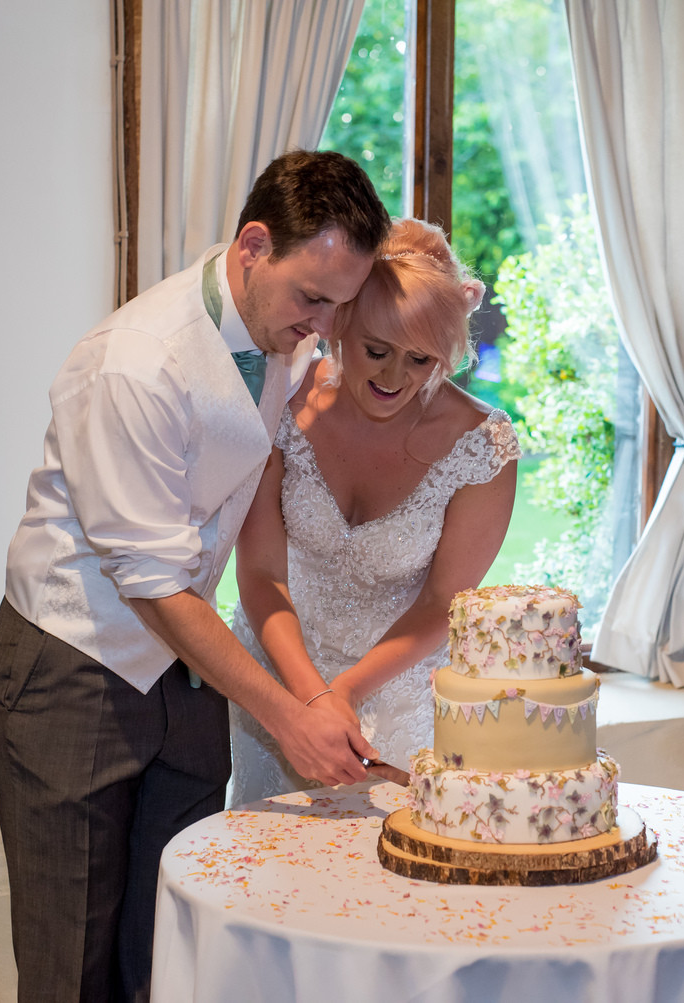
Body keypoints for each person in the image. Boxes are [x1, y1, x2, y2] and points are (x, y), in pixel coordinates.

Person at [0, 150, 391, 1002]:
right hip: (70, 667)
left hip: (183, 675)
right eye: (313, 298)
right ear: (252, 246)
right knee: (72, 971)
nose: (321, 328)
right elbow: (152, 582)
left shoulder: (283, 332)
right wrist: (288, 711)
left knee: (173, 952)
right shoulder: (134, 362)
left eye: (339, 306)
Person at [228, 218, 520, 804]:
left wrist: (348, 691)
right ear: (340, 324)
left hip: (399, 694)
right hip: (280, 678)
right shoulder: (284, 396)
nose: (395, 377)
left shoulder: (483, 446)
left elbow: (444, 602)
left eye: (420, 360)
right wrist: (311, 699)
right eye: (376, 351)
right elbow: (260, 574)